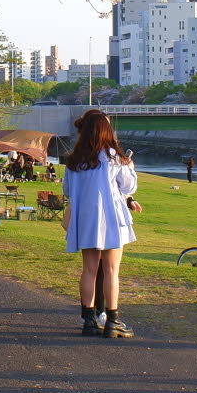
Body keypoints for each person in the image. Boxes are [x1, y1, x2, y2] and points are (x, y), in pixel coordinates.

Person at [64, 108, 142, 338]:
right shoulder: (113, 157)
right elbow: (127, 188)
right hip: (111, 218)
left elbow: (68, 190)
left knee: (89, 270)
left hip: (85, 219)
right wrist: (130, 167)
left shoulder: (74, 160)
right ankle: (112, 320)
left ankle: (88, 320)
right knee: (111, 270)